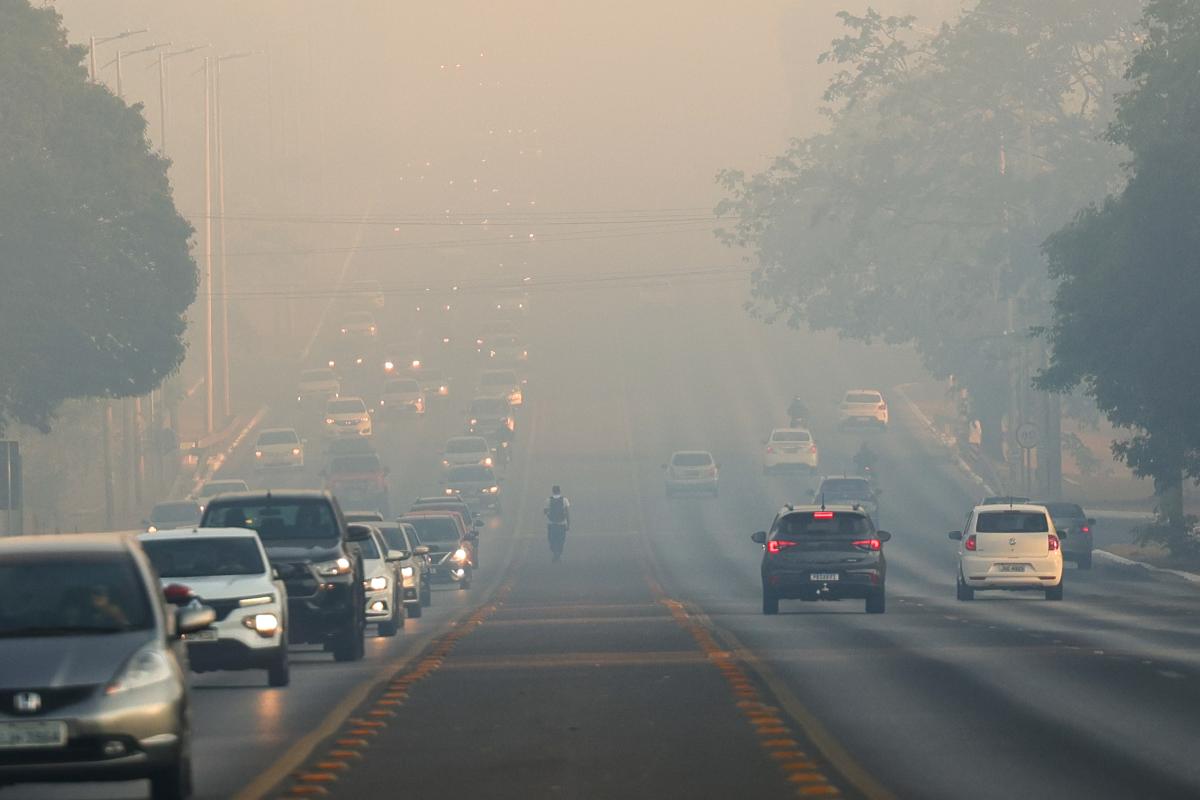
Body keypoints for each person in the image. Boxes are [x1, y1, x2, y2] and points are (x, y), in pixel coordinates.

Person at [543, 485, 570, 562]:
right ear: (559, 491)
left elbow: (545, 511)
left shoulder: (548, 500)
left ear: (553, 491)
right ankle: (558, 554)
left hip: (551, 524)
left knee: (552, 540)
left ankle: (555, 553)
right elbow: (567, 513)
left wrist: (548, 514)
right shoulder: (565, 500)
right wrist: (568, 524)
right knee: (561, 540)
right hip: (562, 524)